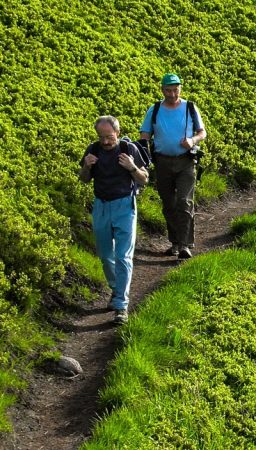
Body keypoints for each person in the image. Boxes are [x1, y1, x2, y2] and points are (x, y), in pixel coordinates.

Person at [79, 116, 149, 325]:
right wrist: (86, 166)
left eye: (109, 137)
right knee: (105, 255)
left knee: (123, 256)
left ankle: (121, 306)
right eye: (102, 137)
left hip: (124, 206)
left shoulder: (129, 149)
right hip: (100, 205)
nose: (106, 142)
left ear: (117, 133)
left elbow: (144, 179)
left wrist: (132, 167)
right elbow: (83, 179)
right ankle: (116, 289)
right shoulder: (93, 149)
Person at [139, 73, 207, 260]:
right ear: (162, 90)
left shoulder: (190, 107)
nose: (172, 93)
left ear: (180, 88)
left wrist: (192, 140)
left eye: (175, 89)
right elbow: (145, 134)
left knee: (184, 202)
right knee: (168, 203)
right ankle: (175, 242)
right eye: (168, 90)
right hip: (162, 162)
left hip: (186, 161)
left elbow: (202, 132)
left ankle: (184, 245)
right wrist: (142, 154)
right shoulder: (154, 109)